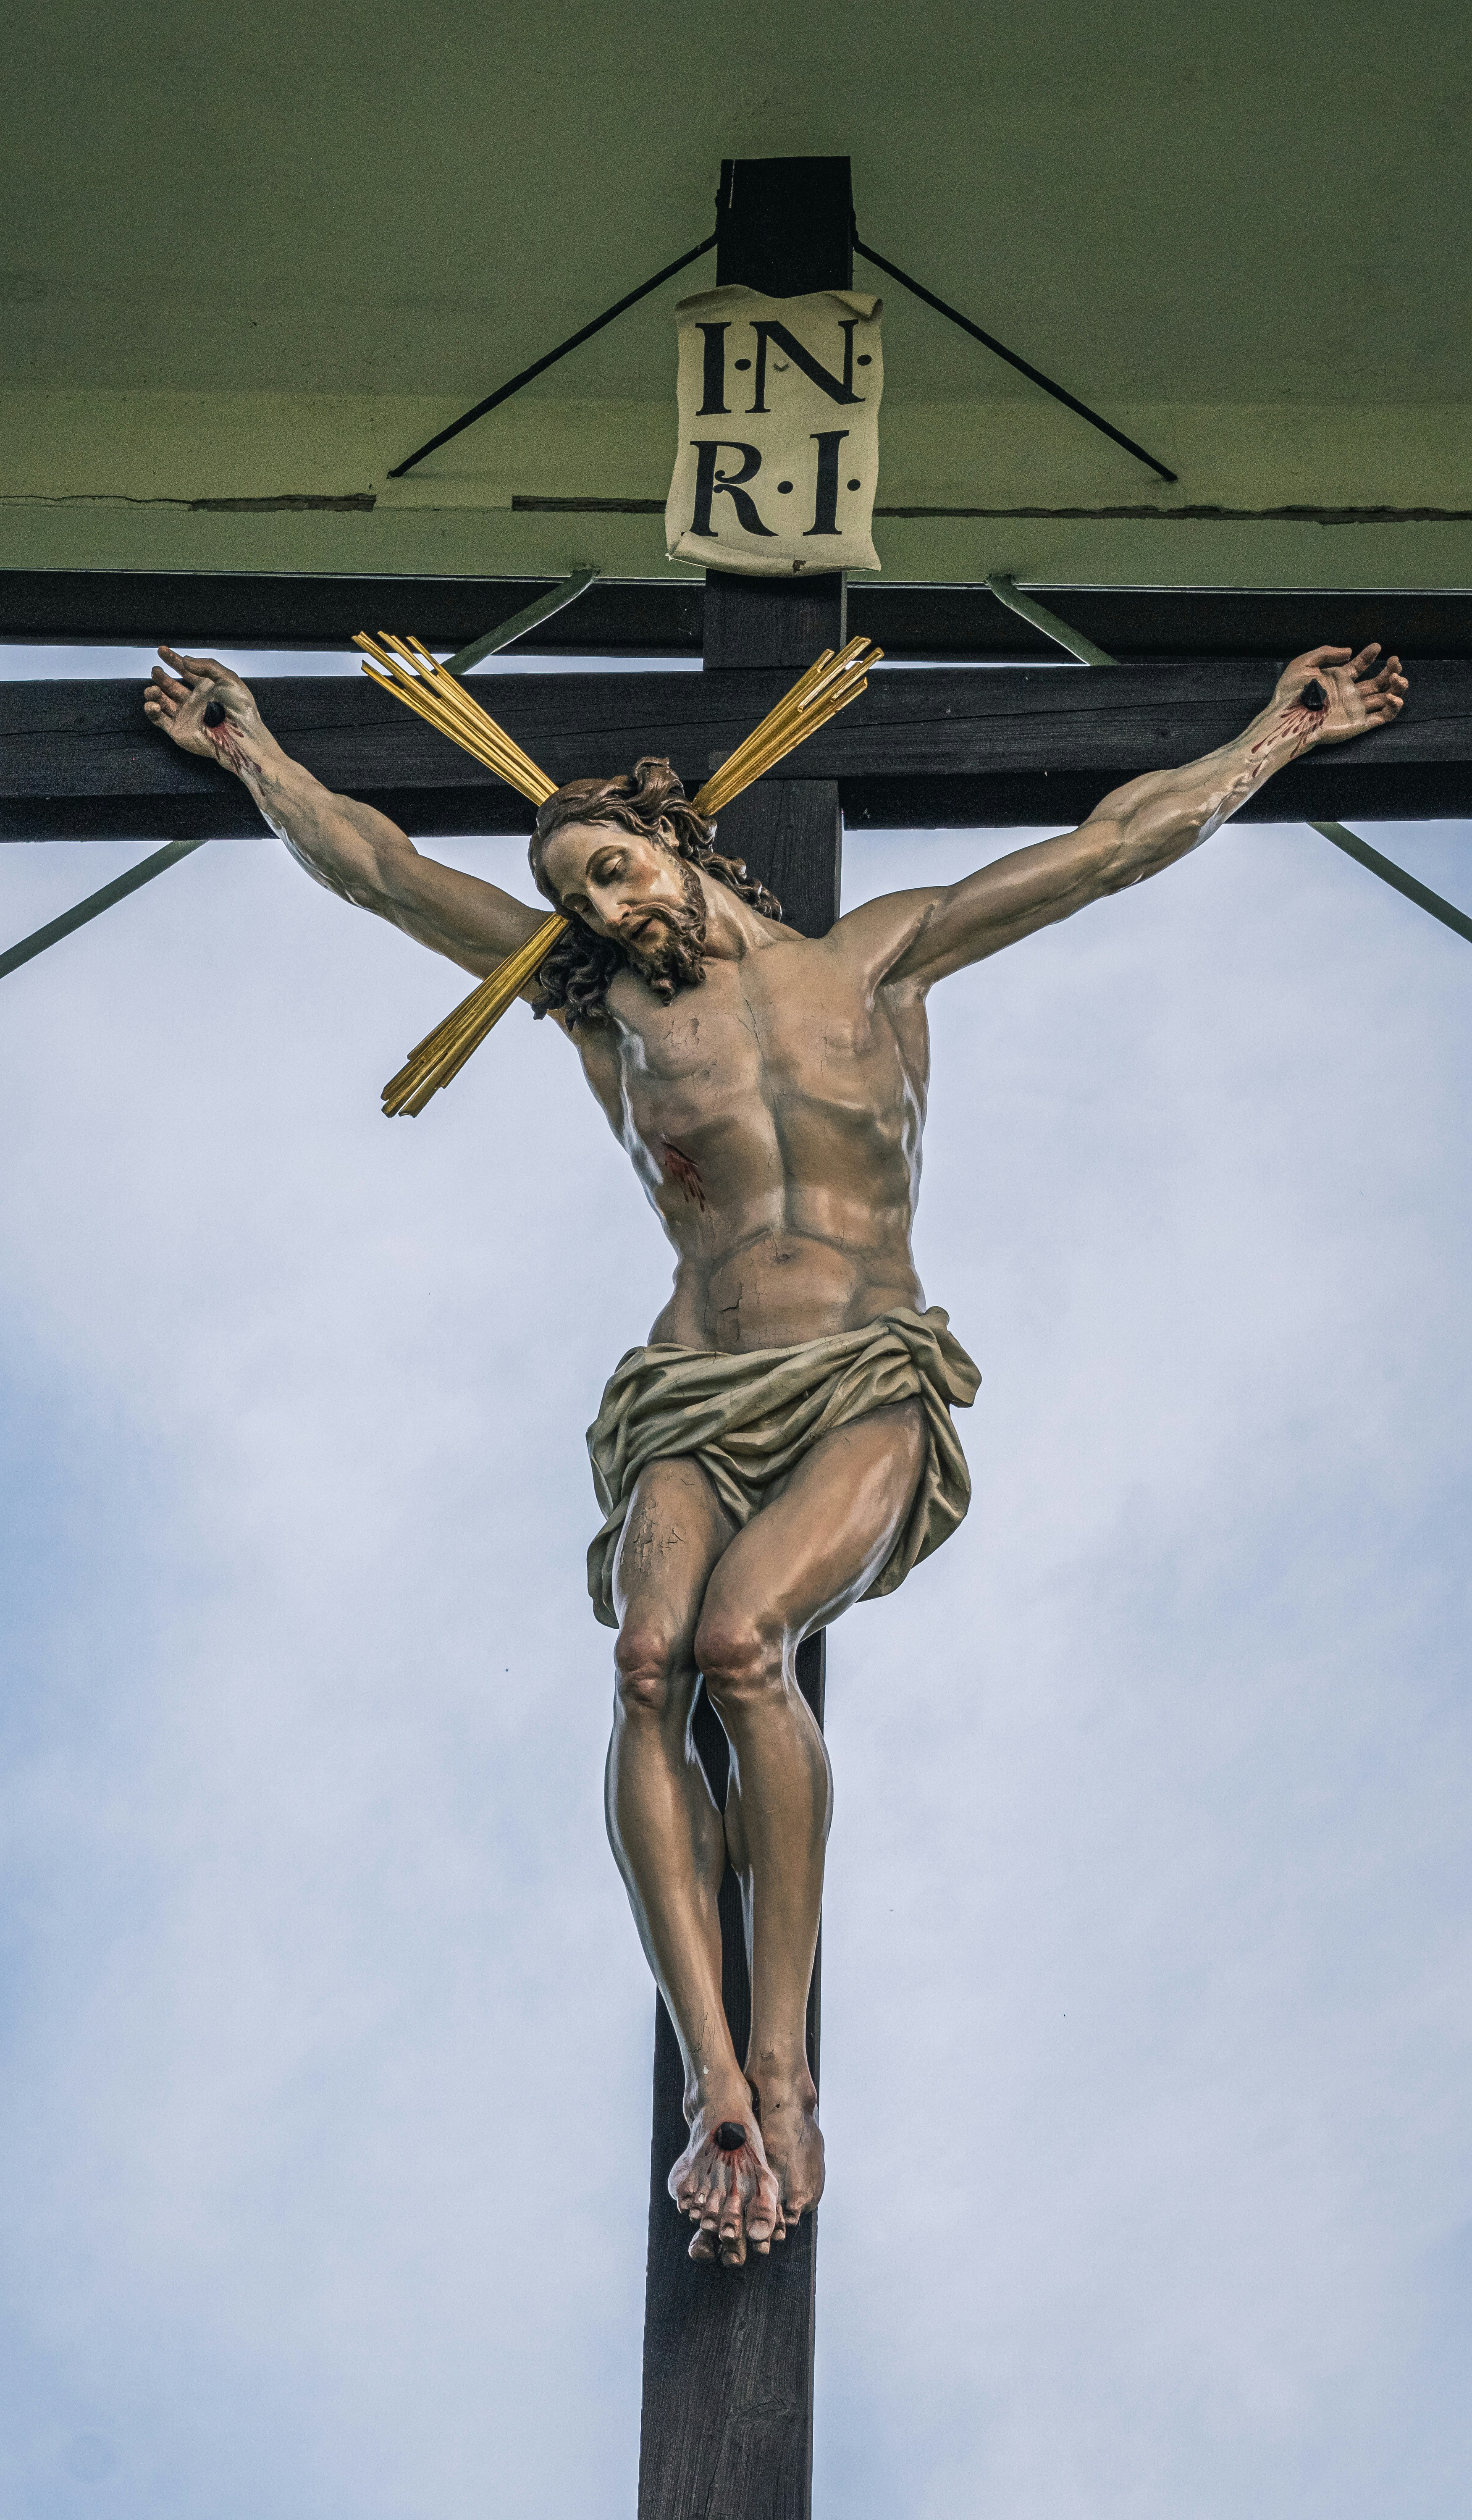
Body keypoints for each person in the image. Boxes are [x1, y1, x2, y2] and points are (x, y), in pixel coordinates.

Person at [144, 635, 1406, 2267]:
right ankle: (710, 2085)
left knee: (746, 1644)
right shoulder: (600, 1024)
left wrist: (1273, 735)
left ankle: (785, 2073)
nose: (597, 910)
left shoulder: (875, 962)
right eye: (573, 898)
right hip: (689, 1387)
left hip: (858, 1373)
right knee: (647, 1655)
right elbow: (384, 873)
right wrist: (253, 755)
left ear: (676, 842)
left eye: (608, 869)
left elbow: (1104, 851)